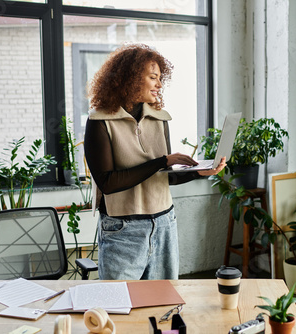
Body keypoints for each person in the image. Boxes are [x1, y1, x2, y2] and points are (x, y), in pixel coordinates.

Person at [84, 43, 226, 280]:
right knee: (120, 306)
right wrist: (161, 161)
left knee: (163, 306)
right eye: (153, 77)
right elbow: (108, 183)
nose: (159, 85)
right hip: (122, 229)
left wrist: (197, 172)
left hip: (164, 224)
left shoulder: (160, 118)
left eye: (160, 78)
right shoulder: (99, 120)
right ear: (130, 78)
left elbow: (163, 176)